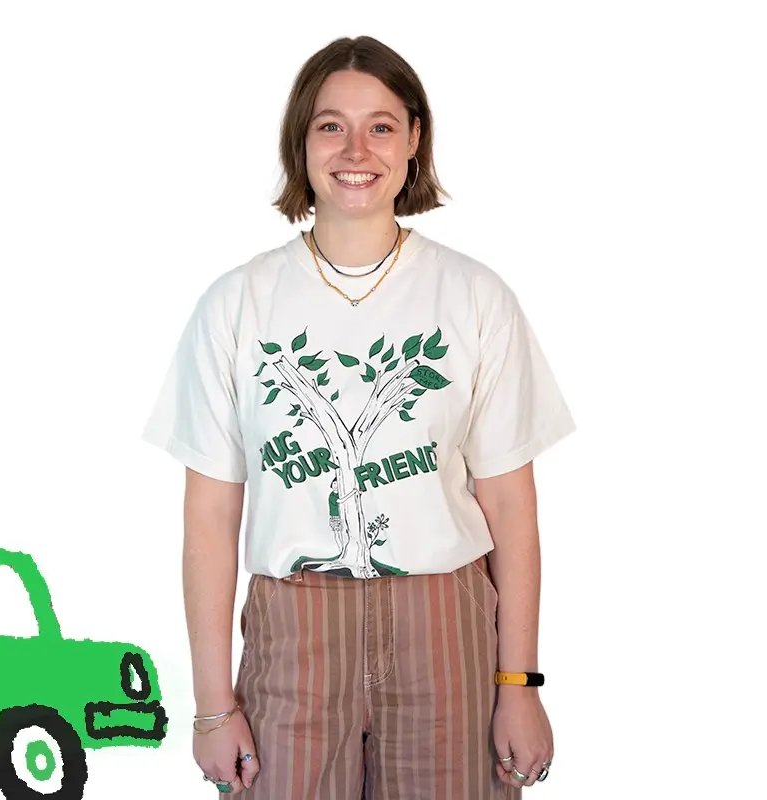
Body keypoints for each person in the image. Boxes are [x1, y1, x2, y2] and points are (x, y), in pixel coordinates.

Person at [141, 34, 576, 799]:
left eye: (380, 126)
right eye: (330, 126)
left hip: (445, 626)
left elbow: (511, 505)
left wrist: (520, 684)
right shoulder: (237, 305)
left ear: (413, 140)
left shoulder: (473, 297)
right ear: (301, 142)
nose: (355, 150)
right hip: (294, 631)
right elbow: (209, 516)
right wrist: (213, 707)